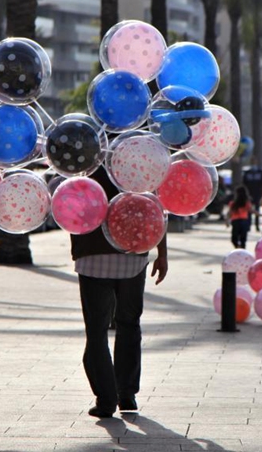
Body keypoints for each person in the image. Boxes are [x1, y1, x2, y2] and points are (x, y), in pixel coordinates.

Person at [71, 166, 168, 418]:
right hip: (133, 253)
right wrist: (162, 252)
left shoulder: (85, 161)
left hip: (92, 256)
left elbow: (69, 203)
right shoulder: (138, 163)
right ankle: (126, 394)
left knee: (96, 330)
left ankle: (105, 399)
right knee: (129, 323)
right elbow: (155, 208)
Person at [243, 160, 262, 232]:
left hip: (258, 194)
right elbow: (244, 184)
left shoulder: (260, 172)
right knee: (249, 210)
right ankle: (248, 225)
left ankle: (257, 225)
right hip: (250, 195)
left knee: (257, 210)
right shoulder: (247, 173)